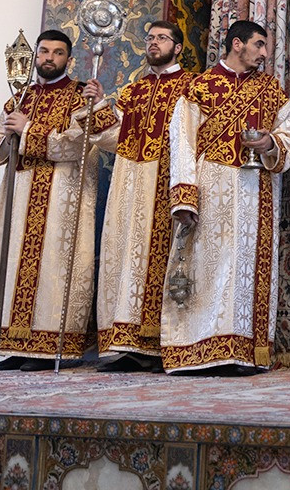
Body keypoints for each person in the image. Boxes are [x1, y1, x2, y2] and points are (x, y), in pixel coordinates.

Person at [164, 20, 290, 374]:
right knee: (209, 268)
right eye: (259, 45)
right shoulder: (199, 87)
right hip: (212, 187)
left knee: (247, 270)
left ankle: (244, 352)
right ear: (237, 44)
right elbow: (182, 142)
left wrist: (271, 143)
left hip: (257, 190)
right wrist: (184, 195)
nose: (264, 53)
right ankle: (201, 349)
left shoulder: (270, 90)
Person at [0, 29, 108, 370]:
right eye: (43, 52)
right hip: (20, 197)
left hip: (62, 197)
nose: (48, 58)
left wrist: (28, 130)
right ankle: (15, 345)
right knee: (13, 266)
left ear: (69, 59)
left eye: (57, 52)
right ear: (35, 56)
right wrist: (10, 137)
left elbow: (76, 145)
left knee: (55, 269)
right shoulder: (18, 99)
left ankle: (50, 348)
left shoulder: (80, 97)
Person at [84, 20, 197, 371]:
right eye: (149, 38)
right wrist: (99, 105)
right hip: (130, 181)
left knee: (165, 257)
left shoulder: (191, 86)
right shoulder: (132, 92)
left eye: (162, 38)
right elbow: (112, 138)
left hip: (169, 179)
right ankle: (128, 343)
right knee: (127, 257)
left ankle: (162, 344)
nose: (153, 43)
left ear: (177, 47)